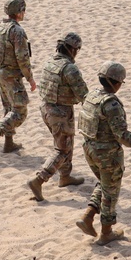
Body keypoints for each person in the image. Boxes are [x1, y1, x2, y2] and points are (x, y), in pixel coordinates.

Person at [76, 61, 131, 246]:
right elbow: (123, 137)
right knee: (111, 193)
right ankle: (106, 232)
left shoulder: (91, 96)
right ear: (116, 83)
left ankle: (88, 216)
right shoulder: (111, 104)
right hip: (107, 154)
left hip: (89, 149)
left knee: (104, 184)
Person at [27, 32, 88, 201]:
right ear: (72, 49)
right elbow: (83, 94)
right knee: (62, 149)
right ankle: (38, 180)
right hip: (60, 113)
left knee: (67, 143)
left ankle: (65, 176)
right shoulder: (69, 68)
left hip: (47, 110)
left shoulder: (50, 62)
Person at [0, 0, 36, 157]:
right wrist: (30, 78)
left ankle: (9, 143)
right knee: (20, 111)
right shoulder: (17, 31)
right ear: (19, 13)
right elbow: (22, 58)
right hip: (11, 74)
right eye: (23, 10)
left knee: (8, 108)